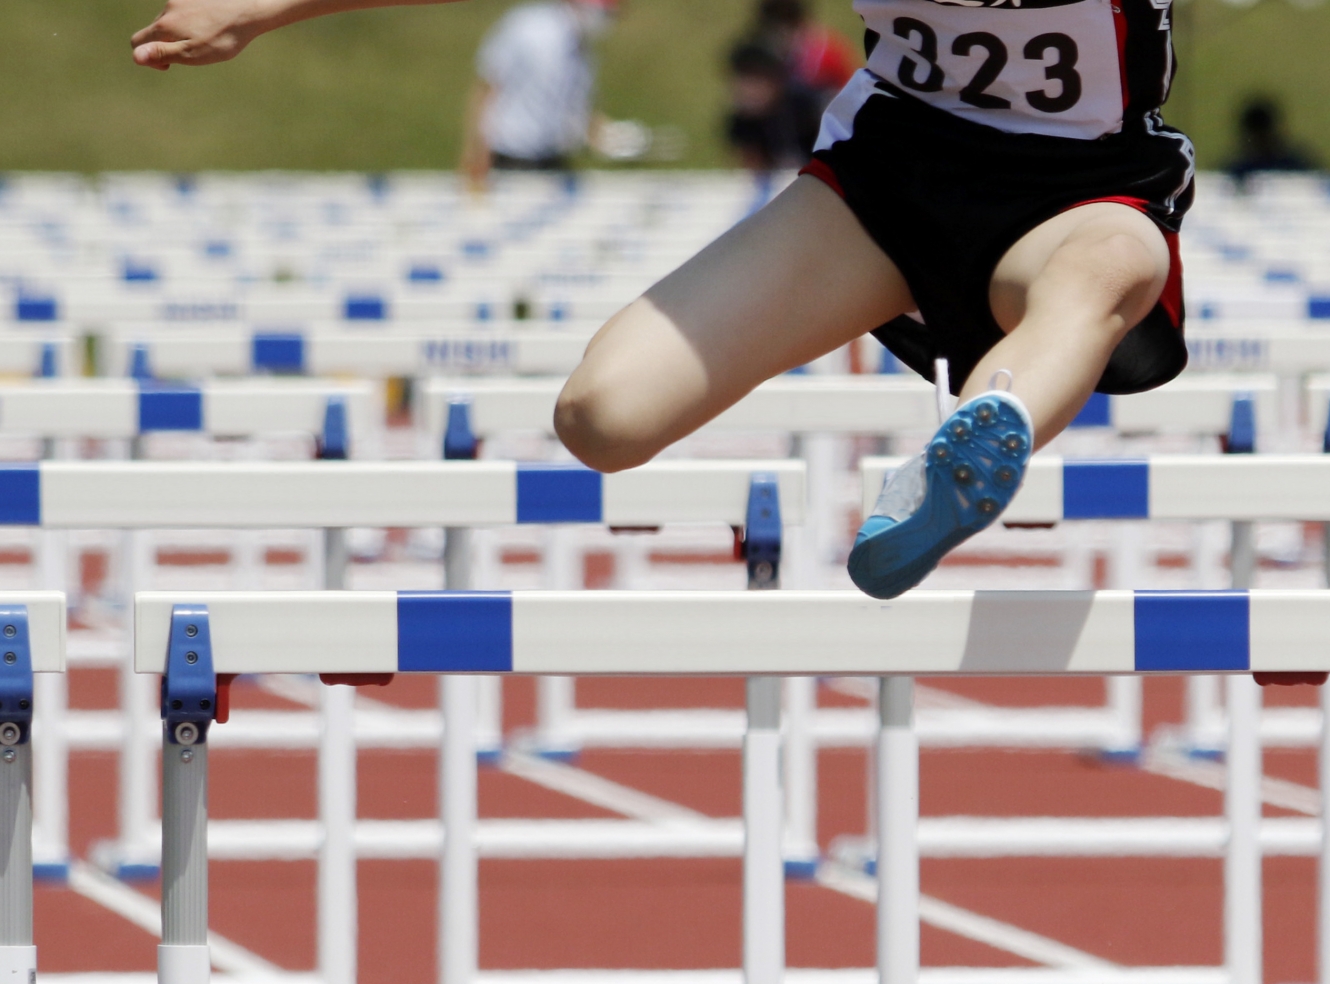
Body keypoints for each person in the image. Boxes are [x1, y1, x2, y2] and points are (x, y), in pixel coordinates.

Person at [132, 0, 1192, 601]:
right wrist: (263, 8)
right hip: (885, 180)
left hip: (1078, 183)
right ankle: (981, 426)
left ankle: (974, 442)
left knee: (1104, 270)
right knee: (603, 415)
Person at [459, 0, 622, 184]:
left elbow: (571, 103)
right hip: (511, 155)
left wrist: (604, 135)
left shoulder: (582, 47)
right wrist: (477, 151)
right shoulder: (529, 28)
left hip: (552, 156)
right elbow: (488, 85)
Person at [724, 39, 820, 173]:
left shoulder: (804, 106)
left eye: (755, 80)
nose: (748, 89)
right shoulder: (743, 120)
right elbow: (753, 170)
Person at [1226, 97, 1319, 184]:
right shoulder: (1237, 171)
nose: (1260, 142)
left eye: (1262, 136)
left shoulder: (1296, 166)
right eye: (1256, 137)